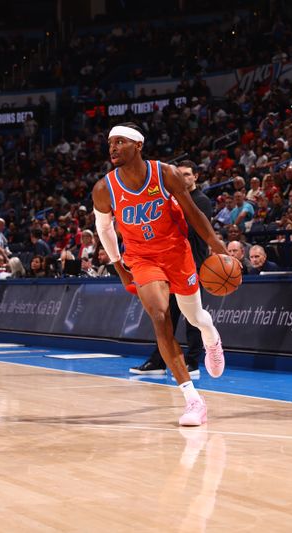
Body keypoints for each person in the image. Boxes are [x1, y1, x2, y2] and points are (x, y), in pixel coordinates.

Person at [93, 123, 226, 426]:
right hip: (142, 258)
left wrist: (216, 245)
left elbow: (193, 211)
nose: (112, 147)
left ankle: (211, 337)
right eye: (110, 142)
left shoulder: (165, 173)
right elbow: (103, 229)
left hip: (177, 253)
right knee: (159, 315)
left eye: (120, 142)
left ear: (138, 145)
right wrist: (120, 267)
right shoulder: (104, 188)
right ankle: (193, 399)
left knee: (195, 317)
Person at [130, 160, 213, 377]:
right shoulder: (171, 198)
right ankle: (159, 361)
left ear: (195, 177)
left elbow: (192, 231)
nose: (184, 178)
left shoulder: (200, 201)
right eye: (181, 174)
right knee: (166, 315)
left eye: (188, 174)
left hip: (194, 264)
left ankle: (193, 362)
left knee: (193, 317)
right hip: (172, 264)